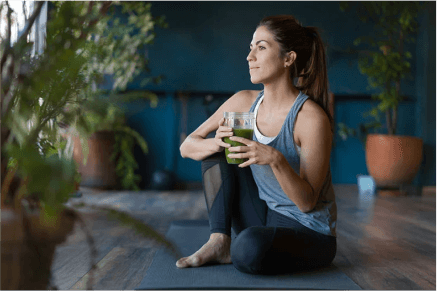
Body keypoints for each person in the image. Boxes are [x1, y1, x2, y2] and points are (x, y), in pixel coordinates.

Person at [176, 14, 337, 275]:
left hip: (308, 230)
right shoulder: (243, 102)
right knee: (215, 152)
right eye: (251, 47)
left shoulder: (310, 119)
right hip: (264, 214)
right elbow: (187, 146)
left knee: (249, 249)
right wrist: (216, 143)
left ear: (288, 58)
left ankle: (239, 247)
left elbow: (307, 203)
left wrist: (276, 159)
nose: (250, 56)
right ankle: (219, 240)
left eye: (261, 47)